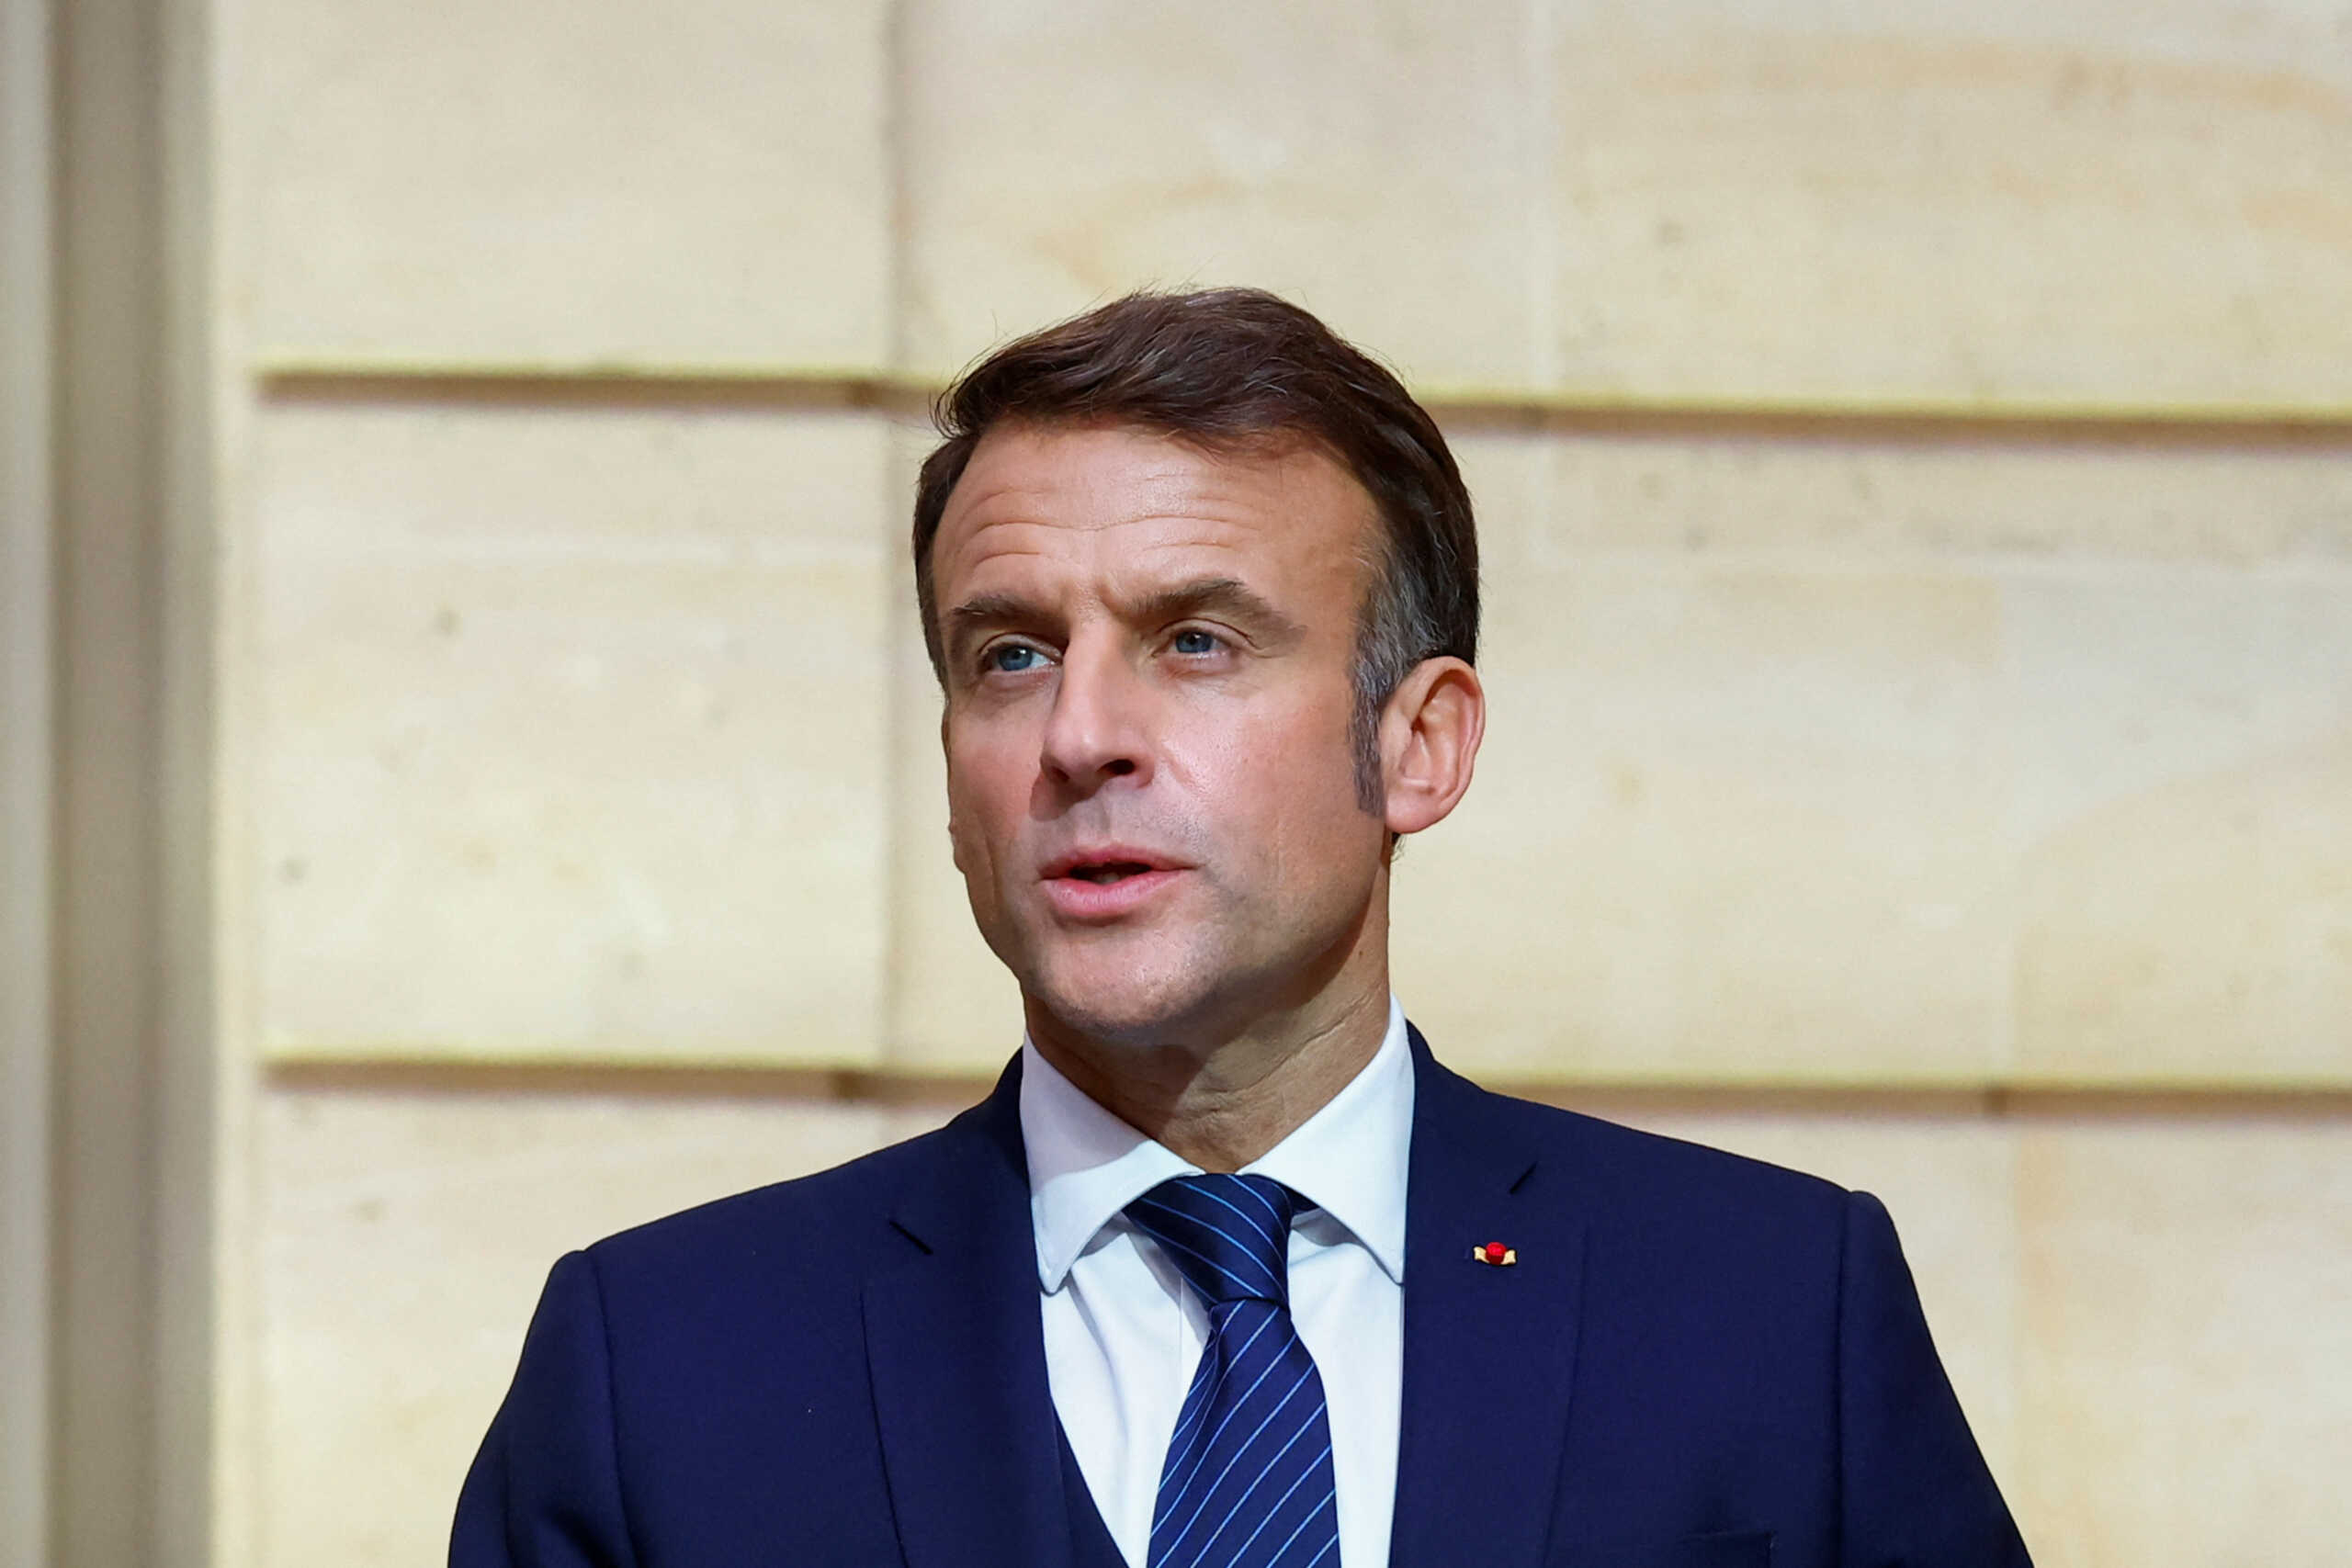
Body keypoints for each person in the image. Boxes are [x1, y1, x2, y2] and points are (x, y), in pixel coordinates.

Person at [450, 288, 2030, 1568]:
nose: (1079, 735)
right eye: (1008, 656)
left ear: (1420, 745)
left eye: (1195, 640)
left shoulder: (1767, 1308)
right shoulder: (664, 1367)